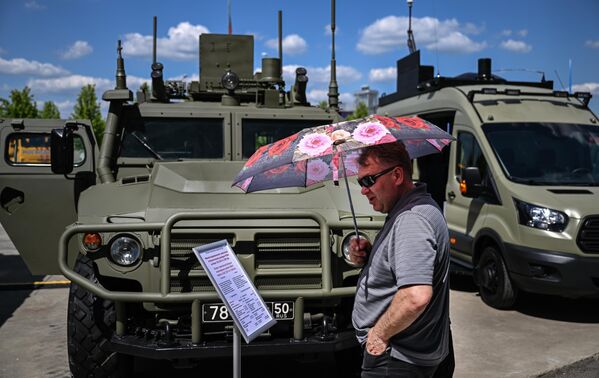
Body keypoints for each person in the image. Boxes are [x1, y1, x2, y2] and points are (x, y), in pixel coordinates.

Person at [350, 141, 454, 377]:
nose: (364, 190)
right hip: (411, 352)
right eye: (360, 182)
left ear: (397, 175)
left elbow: (415, 296)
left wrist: (378, 335)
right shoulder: (413, 208)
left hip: (397, 357)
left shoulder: (411, 219)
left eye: (368, 180)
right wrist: (371, 255)